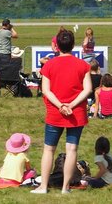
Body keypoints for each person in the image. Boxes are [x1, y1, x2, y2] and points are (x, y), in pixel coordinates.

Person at [31, 28, 92, 194]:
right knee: (72, 150)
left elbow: (46, 90)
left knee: (49, 149)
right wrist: (71, 105)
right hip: (76, 113)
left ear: (57, 45)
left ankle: (43, 186)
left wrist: (60, 106)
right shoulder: (83, 65)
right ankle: (65, 188)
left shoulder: (49, 65)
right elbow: (87, 89)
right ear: (73, 45)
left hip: (55, 113)